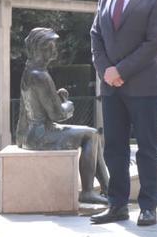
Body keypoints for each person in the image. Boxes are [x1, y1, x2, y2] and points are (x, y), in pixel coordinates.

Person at [89, 0, 157, 227]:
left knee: (147, 147)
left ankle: (148, 206)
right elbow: (96, 37)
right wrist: (106, 71)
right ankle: (117, 204)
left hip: (143, 86)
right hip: (111, 87)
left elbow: (153, 44)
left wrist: (120, 70)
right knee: (114, 148)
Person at [17, 28, 110, 204]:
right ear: (41, 48)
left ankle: (108, 188)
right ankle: (89, 191)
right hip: (39, 135)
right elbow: (58, 115)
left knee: (92, 134)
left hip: (30, 133)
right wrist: (69, 105)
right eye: (51, 46)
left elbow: (37, 107)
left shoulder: (30, 71)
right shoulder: (40, 76)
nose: (55, 51)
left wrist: (57, 99)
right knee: (91, 134)